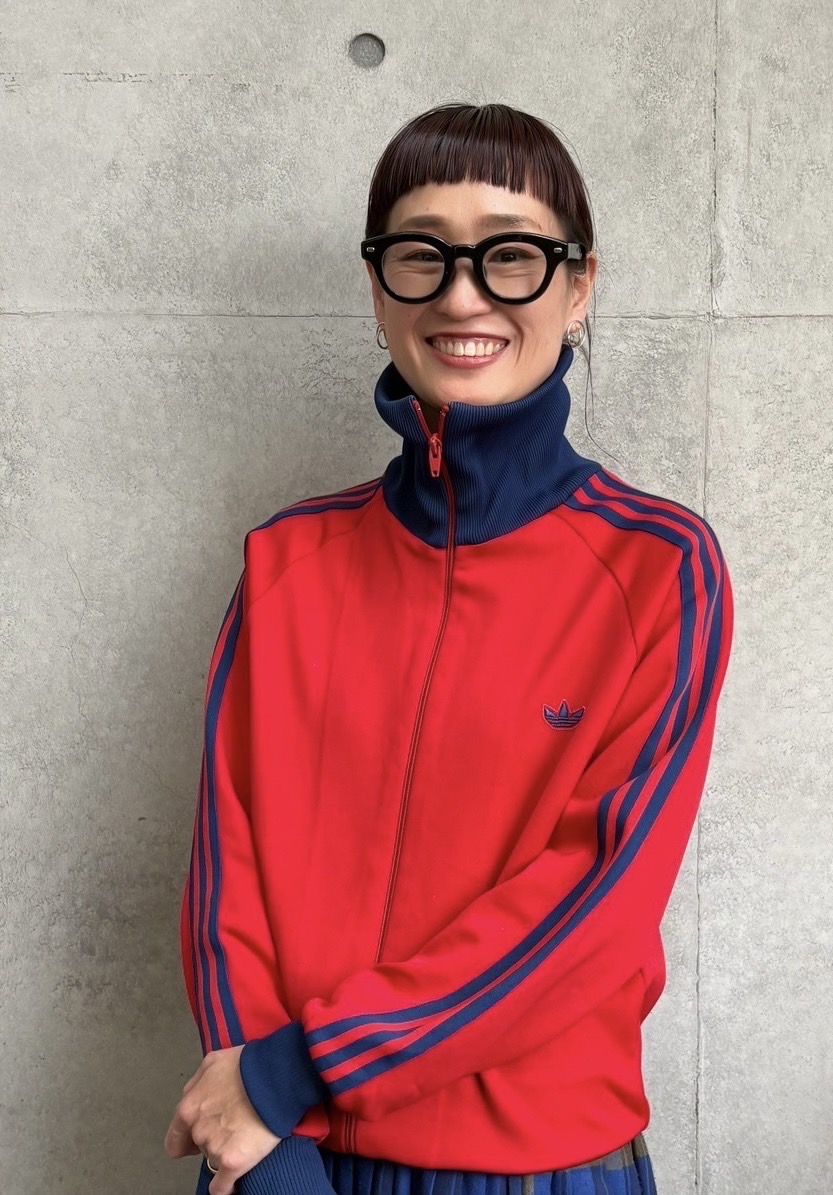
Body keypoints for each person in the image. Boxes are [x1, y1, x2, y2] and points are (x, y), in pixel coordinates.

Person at [164, 102, 734, 1195]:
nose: (463, 295)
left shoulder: (660, 566)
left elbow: (595, 905)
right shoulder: (287, 562)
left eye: (510, 255)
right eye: (422, 254)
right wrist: (267, 1139)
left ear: (578, 285)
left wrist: (297, 1068)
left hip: (531, 1168)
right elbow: (225, 870)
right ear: (379, 288)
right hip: (285, 1153)